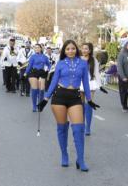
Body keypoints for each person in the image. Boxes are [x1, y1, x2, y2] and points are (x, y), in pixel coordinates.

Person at [38, 40, 99, 172]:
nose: (70, 51)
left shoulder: (83, 64)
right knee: (62, 128)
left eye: (72, 49)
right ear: (64, 51)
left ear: (76, 50)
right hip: (59, 97)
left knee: (78, 129)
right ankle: (64, 155)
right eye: (67, 49)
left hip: (75, 97)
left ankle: (80, 160)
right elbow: (54, 82)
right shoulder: (60, 64)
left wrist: (89, 100)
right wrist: (45, 99)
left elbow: (86, 83)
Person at [79, 43, 107, 136]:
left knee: (89, 103)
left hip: (91, 83)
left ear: (90, 50)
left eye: (86, 49)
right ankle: (82, 125)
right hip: (80, 84)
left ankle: (88, 127)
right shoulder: (78, 59)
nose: (84, 50)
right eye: (83, 48)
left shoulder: (94, 60)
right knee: (81, 104)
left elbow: (96, 74)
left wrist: (100, 86)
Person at [24, 44, 50, 112]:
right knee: (34, 89)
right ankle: (34, 106)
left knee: (41, 90)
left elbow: (49, 64)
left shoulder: (45, 57)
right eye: (35, 48)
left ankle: (40, 105)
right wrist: (25, 73)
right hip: (34, 73)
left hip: (42, 73)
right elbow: (29, 66)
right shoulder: (33, 57)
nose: (37, 49)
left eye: (38, 47)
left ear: (41, 48)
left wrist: (49, 70)